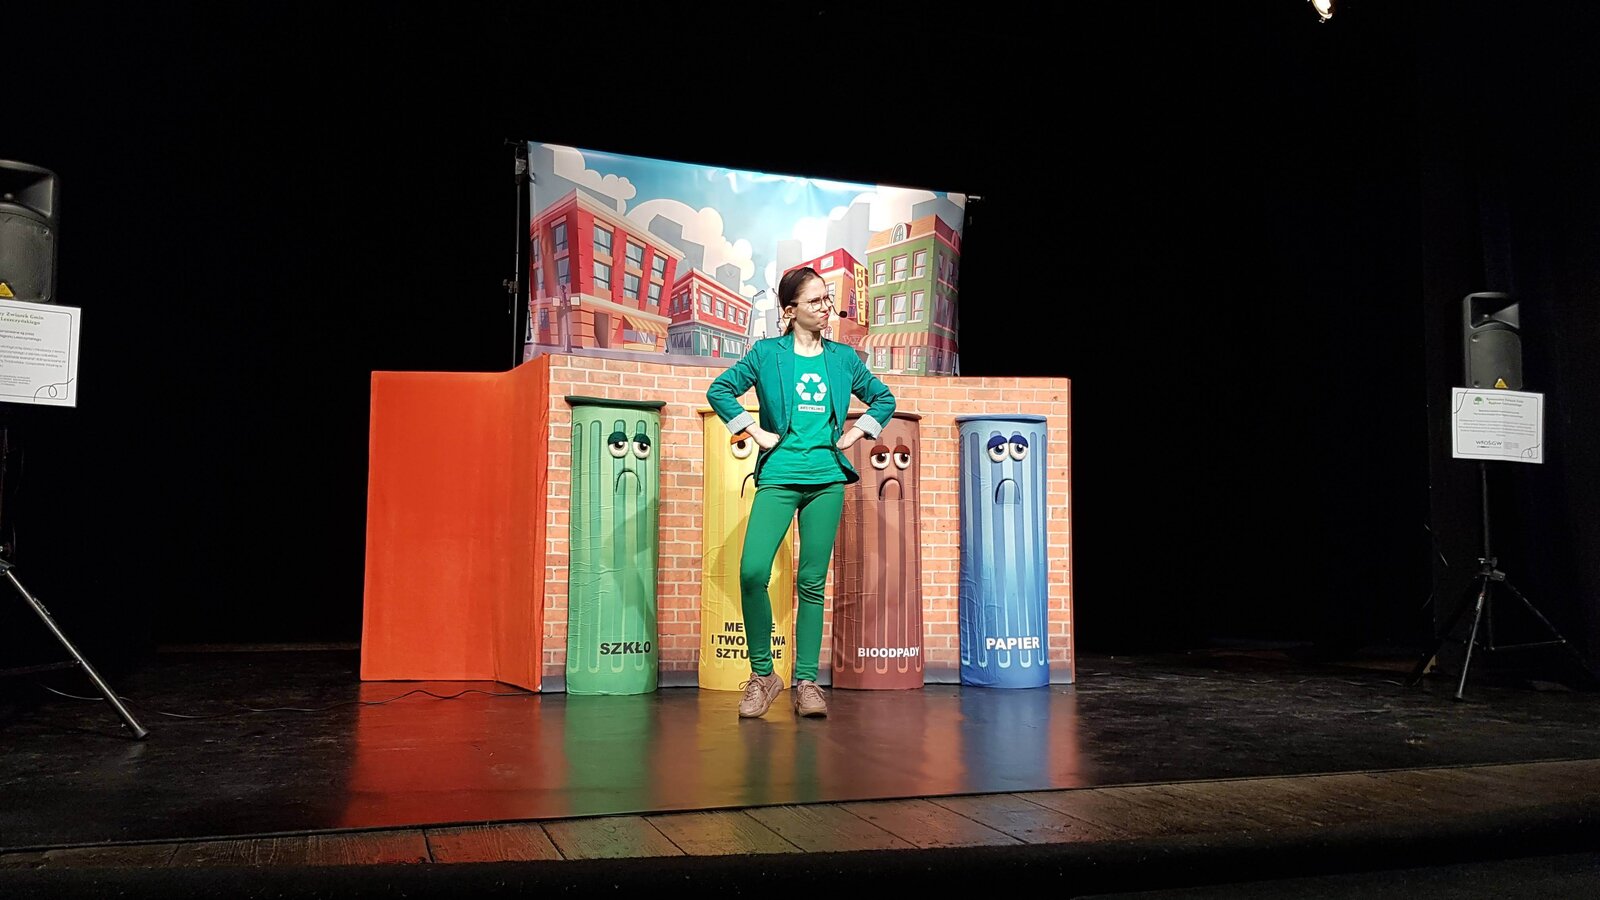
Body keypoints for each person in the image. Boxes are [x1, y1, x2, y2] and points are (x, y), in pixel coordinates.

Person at [706, 266, 896, 719]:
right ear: (790, 311)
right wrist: (754, 430)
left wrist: (856, 433)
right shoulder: (767, 354)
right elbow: (721, 390)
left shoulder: (843, 358)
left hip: (826, 479)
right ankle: (764, 675)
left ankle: (807, 682)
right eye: (815, 301)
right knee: (753, 571)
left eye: (827, 299)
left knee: (811, 581)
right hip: (779, 475)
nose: (826, 307)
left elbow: (884, 398)